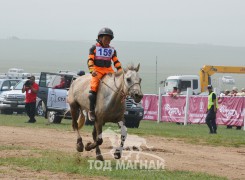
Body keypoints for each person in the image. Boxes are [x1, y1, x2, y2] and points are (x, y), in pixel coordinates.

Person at [87, 27, 122, 120]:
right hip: (97, 70)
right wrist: (92, 70)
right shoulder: (94, 48)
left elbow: (116, 61)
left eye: (109, 39)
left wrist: (120, 70)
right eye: (106, 38)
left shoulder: (112, 50)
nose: (108, 41)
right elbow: (90, 60)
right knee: (93, 88)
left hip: (109, 70)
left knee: (118, 85)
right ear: (100, 38)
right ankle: (91, 111)